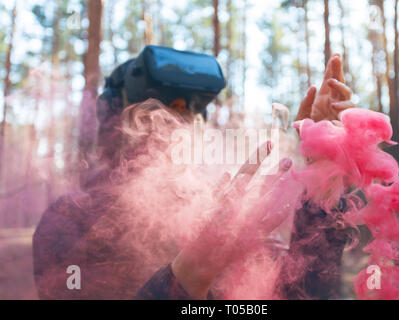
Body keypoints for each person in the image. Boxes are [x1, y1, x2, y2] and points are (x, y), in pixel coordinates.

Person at [33, 50, 355, 300]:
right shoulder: (71, 218)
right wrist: (192, 272)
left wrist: (321, 179)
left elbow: (305, 293)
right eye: (156, 111)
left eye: (189, 113)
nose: (175, 126)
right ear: (114, 119)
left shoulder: (223, 211)